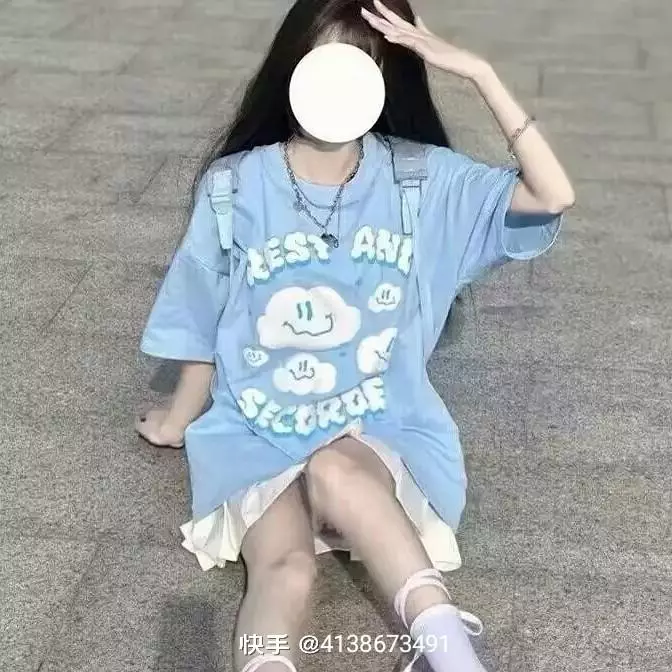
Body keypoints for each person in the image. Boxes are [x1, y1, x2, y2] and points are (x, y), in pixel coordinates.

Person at [136, 1, 574, 671]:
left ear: (383, 77)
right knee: (283, 571)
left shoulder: (420, 179)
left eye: (360, 64)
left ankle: (453, 657)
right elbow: (204, 312)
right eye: (323, 60)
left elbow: (551, 195)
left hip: (379, 429)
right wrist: (177, 420)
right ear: (294, 67)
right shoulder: (234, 186)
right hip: (256, 430)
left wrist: (480, 73)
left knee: (335, 466)